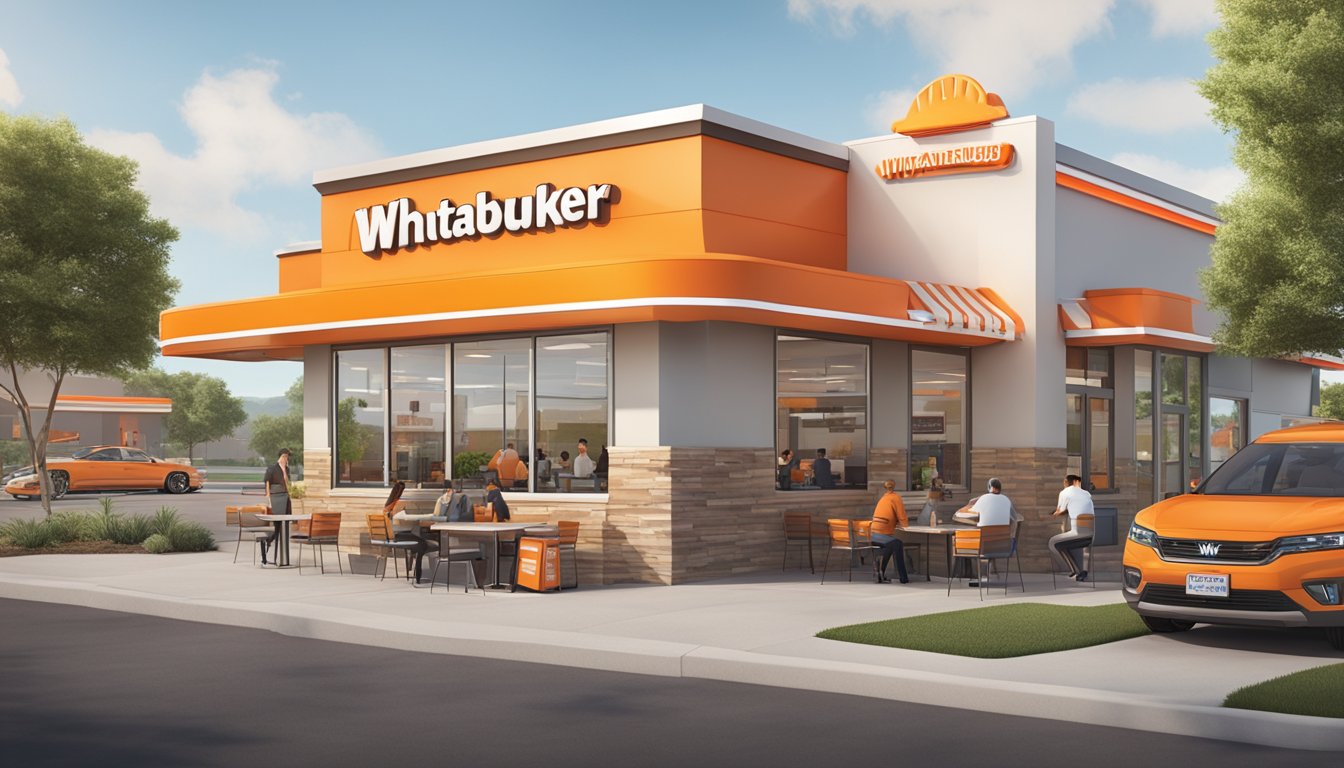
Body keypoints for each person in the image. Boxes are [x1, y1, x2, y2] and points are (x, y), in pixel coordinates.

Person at [954, 477, 1021, 586]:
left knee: (971, 543)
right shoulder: (1006, 500)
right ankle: (989, 573)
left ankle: (981, 577)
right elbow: (1015, 518)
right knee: (990, 541)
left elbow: (965, 513)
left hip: (985, 547)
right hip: (1004, 547)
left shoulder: (984, 499)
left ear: (989, 488)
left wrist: (973, 502)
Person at [1051, 474, 1095, 581]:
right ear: (1076, 482)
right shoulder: (1087, 494)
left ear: (1066, 483)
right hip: (1091, 533)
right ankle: (1080, 571)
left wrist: (1053, 513)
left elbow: (1059, 511)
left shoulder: (1064, 492)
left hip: (1077, 533)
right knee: (1080, 546)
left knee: (1053, 543)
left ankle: (1075, 570)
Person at [870, 479, 910, 583]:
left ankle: (881, 573)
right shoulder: (895, 498)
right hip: (880, 535)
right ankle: (903, 578)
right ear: (894, 486)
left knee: (891, 544)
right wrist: (904, 524)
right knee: (897, 544)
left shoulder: (883, 498)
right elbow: (902, 517)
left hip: (872, 534)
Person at [259, 448, 292, 565]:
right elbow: (267, 481)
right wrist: (268, 496)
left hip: (286, 497)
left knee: (285, 523)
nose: (286, 458)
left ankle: (270, 541)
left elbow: (288, 482)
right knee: (278, 523)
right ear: (280, 456)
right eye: (284, 456)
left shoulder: (287, 469)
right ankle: (270, 541)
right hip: (276, 497)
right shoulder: (272, 468)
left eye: (287, 457)